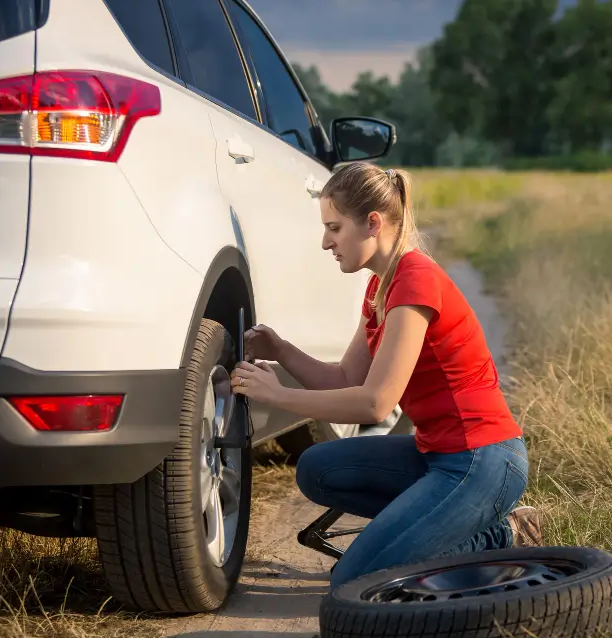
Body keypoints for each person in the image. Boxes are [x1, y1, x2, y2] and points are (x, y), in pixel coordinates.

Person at [229, 162, 542, 590]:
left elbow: (375, 402)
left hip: (482, 460)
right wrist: (281, 350)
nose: (326, 242)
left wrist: (278, 394)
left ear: (372, 223)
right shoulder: (380, 286)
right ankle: (443, 528)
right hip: (438, 456)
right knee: (316, 468)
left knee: (354, 581)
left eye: (334, 228)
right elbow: (345, 376)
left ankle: (501, 534)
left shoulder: (415, 281)